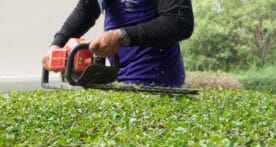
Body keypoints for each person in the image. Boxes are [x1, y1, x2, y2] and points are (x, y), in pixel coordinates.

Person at [42, 0, 194, 87]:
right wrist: (57, 44)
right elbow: (87, 9)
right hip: (121, 80)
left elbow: (179, 22)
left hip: (160, 82)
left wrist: (121, 36)